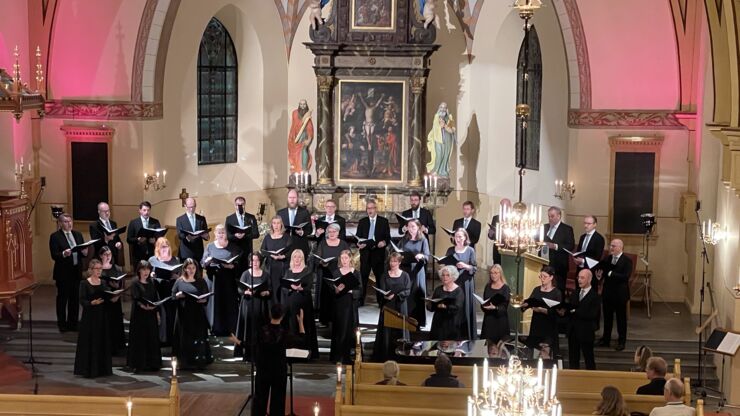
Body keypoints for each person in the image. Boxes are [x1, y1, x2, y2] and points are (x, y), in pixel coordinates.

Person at [252, 304, 306, 416]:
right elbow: (302, 339)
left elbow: (250, 345)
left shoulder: (262, 331)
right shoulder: (285, 333)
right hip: (279, 371)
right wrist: (300, 322)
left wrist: (238, 341)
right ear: (282, 316)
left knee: (260, 400)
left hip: (263, 370)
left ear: (270, 314)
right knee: (278, 401)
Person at [172, 258, 213, 370]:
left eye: (193, 268)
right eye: (189, 268)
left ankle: (198, 362)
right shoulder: (179, 281)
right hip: (183, 314)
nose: (191, 270)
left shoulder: (201, 281)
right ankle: (185, 362)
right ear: (184, 268)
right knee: (185, 338)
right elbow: (172, 296)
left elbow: (205, 296)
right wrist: (178, 295)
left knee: (198, 337)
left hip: (197, 314)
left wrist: (203, 300)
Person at [74, 259, 112, 378]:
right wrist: (91, 303)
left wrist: (113, 297)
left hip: (101, 316)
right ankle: (88, 370)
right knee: (90, 341)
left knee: (101, 340)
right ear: (91, 270)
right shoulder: (84, 283)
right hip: (89, 317)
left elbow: (107, 297)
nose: (99, 271)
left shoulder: (103, 283)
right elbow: (81, 300)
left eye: (101, 268)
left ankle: (102, 369)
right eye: (97, 269)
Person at [49, 213, 87, 332]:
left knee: (74, 299)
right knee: (62, 299)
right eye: (65, 222)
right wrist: (64, 254)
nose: (69, 224)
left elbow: (82, 251)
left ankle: (73, 323)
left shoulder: (78, 234)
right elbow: (54, 255)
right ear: (60, 223)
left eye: (70, 221)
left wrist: (85, 252)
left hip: (76, 271)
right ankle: (62, 324)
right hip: (63, 273)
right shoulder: (55, 236)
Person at [202, 224, 242, 336]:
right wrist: (208, 262)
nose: (220, 234)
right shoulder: (210, 247)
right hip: (214, 280)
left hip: (228, 281)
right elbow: (203, 263)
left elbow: (238, 264)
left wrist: (232, 266)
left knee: (228, 304)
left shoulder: (233, 247)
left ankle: (230, 328)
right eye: (218, 232)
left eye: (223, 232)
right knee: (215, 304)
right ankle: (215, 329)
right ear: (215, 233)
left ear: (226, 234)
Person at [594, 239, 633, 351]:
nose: (611, 248)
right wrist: (599, 277)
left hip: (620, 294)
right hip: (608, 293)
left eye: (614, 246)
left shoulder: (627, 261)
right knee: (607, 318)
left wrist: (610, 273)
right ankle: (606, 340)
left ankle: (621, 341)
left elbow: (625, 277)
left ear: (621, 247)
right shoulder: (607, 258)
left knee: (621, 319)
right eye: (610, 245)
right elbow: (600, 269)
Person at [372, 252, 412, 362]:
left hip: (400, 305)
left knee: (400, 328)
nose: (392, 263)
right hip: (388, 305)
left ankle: (402, 355)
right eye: (391, 261)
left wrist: (398, 295)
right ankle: (386, 354)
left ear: (399, 262)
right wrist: (385, 296)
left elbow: (408, 290)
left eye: (395, 261)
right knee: (387, 331)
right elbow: (382, 290)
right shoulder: (384, 275)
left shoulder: (405, 275)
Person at [560, 269, 600, 370]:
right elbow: (570, 310)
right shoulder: (575, 293)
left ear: (589, 279)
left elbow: (592, 314)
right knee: (573, 360)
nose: (579, 280)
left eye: (582, 278)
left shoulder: (595, 296)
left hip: (586, 332)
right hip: (573, 331)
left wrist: (575, 311)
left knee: (589, 359)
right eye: (578, 277)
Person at [281, 249, 319, 358]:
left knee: (304, 324)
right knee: (291, 325)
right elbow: (283, 287)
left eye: (299, 257)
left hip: (304, 302)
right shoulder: (288, 271)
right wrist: (290, 287)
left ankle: (306, 351)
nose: (297, 259)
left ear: (302, 259)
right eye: (295, 257)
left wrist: (302, 288)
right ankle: (291, 352)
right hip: (291, 302)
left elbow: (310, 285)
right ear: (292, 259)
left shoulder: (307, 270)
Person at [233, 252, 271, 360]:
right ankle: (247, 353)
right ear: (250, 262)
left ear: (260, 262)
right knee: (247, 329)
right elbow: (239, 289)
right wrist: (245, 291)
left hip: (260, 306)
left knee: (260, 329)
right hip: (248, 305)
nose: (255, 263)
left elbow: (270, 289)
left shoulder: (266, 274)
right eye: (253, 260)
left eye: (257, 260)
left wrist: (266, 293)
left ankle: (260, 354)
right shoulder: (245, 274)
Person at [126, 260, 162, 372]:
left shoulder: (152, 282)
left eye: (148, 269)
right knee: (139, 338)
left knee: (152, 337)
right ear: (139, 270)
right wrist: (143, 306)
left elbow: (155, 298)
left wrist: (157, 312)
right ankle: (139, 364)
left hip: (151, 314)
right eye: (143, 269)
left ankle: (153, 363)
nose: (146, 272)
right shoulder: (135, 282)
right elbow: (136, 298)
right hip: (139, 315)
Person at [330, 249, 362, 363]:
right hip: (339, 304)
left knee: (349, 330)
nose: (344, 260)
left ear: (350, 259)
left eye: (346, 258)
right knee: (339, 329)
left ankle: (348, 356)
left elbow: (360, 291)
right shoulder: (336, 272)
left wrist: (351, 292)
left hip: (351, 305)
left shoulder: (356, 273)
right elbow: (331, 290)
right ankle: (338, 356)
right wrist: (336, 290)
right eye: (342, 258)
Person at [445, 228, 477, 340]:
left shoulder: (470, 250)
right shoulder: (450, 250)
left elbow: (474, 267)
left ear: (465, 238)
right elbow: (446, 265)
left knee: (465, 307)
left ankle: (466, 335)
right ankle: (453, 334)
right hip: (453, 283)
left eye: (460, 237)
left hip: (466, 283)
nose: (458, 239)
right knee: (454, 307)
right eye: (456, 236)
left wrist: (465, 266)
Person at [523, 265, 562, 357]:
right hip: (536, 326)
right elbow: (529, 302)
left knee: (546, 355)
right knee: (534, 355)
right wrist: (523, 303)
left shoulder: (556, 293)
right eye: (541, 276)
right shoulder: (536, 289)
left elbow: (557, 312)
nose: (542, 279)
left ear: (551, 277)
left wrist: (542, 310)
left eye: (545, 276)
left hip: (549, 327)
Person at [314, 223, 349, 326]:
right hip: (326, 274)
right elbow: (316, 258)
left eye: (334, 231)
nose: (332, 233)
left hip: (340, 274)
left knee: (338, 296)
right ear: (327, 233)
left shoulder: (343, 244)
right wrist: (321, 262)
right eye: (330, 232)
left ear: (338, 233)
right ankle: (325, 320)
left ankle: (337, 318)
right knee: (326, 298)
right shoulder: (323, 243)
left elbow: (348, 257)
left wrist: (342, 263)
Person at [356, 200, 390, 305]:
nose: (370, 210)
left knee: (380, 278)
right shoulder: (362, 221)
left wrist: (384, 242)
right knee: (363, 278)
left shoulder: (383, 221)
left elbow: (387, 238)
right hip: (365, 254)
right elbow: (358, 237)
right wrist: (359, 243)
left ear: (376, 209)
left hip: (378, 254)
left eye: (372, 208)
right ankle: (361, 301)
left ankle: (381, 301)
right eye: (368, 208)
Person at [148, 237, 180, 346]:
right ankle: (162, 339)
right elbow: (148, 274)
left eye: (166, 247)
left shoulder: (175, 259)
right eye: (162, 247)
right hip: (158, 290)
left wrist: (177, 276)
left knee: (172, 314)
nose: (164, 249)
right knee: (161, 315)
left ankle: (173, 338)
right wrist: (151, 275)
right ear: (157, 248)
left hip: (171, 289)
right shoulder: (152, 260)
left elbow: (180, 275)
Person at [400, 219, 431, 327]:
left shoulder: (423, 240)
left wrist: (421, 256)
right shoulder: (404, 238)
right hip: (406, 269)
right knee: (407, 294)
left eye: (413, 226)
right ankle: (406, 320)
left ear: (418, 227)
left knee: (416, 295)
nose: (411, 229)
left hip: (417, 270)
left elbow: (427, 256)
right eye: (409, 227)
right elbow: (398, 250)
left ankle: (418, 321)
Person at [541, 206, 575, 292]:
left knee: (558, 290)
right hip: (546, 263)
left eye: (552, 216)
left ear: (559, 216)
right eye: (549, 216)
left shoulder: (567, 229)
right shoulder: (544, 227)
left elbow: (570, 246)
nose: (550, 218)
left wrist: (555, 246)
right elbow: (539, 241)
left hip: (559, 266)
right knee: (545, 289)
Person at [99, 246, 125, 355]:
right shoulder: (98, 269)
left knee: (116, 324)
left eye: (109, 254)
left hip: (115, 300)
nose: (108, 257)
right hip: (104, 302)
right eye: (105, 254)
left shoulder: (117, 268)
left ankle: (117, 348)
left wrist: (117, 294)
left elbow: (122, 285)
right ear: (100, 256)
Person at [428, 266, 465, 340]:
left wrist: (446, 307)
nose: (445, 277)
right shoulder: (438, 289)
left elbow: (458, 307)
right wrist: (429, 304)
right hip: (438, 323)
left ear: (453, 277)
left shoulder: (458, 291)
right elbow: (431, 307)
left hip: (452, 323)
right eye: (443, 275)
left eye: (448, 275)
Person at [225, 196, 259, 275]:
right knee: (236, 274)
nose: (239, 206)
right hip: (235, 251)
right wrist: (235, 236)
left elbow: (256, 234)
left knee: (248, 273)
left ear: (244, 205)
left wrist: (245, 235)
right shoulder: (229, 219)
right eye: (238, 205)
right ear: (235, 205)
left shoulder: (251, 217)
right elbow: (228, 235)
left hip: (247, 250)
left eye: (242, 204)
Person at [261, 216, 292, 303]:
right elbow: (263, 250)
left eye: (278, 223)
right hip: (270, 267)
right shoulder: (267, 237)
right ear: (271, 225)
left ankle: (283, 311)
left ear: (281, 224)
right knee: (272, 289)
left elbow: (290, 251)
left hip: (283, 267)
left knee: (282, 290)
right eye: (274, 223)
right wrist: (270, 255)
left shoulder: (286, 237)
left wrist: (283, 256)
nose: (276, 225)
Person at [480, 265, 510, 342]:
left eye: (495, 273)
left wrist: (495, 308)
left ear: (500, 274)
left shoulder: (505, 288)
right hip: (488, 321)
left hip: (500, 322)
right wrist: (483, 306)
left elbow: (504, 307)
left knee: (500, 350)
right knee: (488, 349)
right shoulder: (487, 286)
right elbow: (484, 301)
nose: (493, 275)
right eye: (491, 273)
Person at [277, 189, 312, 258]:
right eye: (290, 197)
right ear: (287, 199)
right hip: (284, 248)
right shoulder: (280, 213)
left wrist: (302, 232)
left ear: (297, 198)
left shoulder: (304, 212)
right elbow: (276, 228)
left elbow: (309, 229)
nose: (292, 200)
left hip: (300, 246)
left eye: (294, 197)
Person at [425, 102, 456, 177]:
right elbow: (435, 127)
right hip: (438, 139)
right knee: (438, 155)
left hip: (447, 140)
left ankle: (443, 171)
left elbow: (452, 130)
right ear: (439, 108)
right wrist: (440, 126)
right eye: (441, 107)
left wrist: (445, 125)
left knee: (445, 155)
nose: (443, 109)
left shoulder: (450, 118)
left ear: (446, 109)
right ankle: (436, 170)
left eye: (444, 107)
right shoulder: (436, 116)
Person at [126, 201, 162, 265]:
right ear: (140, 210)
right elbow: (129, 239)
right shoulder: (133, 223)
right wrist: (138, 239)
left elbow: (160, 237)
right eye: (144, 210)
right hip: (138, 254)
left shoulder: (155, 222)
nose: (146, 212)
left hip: (152, 253)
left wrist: (155, 240)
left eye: (148, 210)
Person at [176, 197, 209, 263]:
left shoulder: (201, 219)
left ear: (195, 205)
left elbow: (206, 235)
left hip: (198, 251)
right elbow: (180, 235)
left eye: (193, 207)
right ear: (185, 206)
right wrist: (188, 237)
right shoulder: (180, 219)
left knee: (199, 272)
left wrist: (205, 236)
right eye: (189, 207)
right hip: (186, 251)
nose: (191, 209)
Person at [287, 99, 314, 173]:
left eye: (304, 104)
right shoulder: (295, 113)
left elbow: (309, 127)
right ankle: (295, 168)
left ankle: (304, 169)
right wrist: (293, 136)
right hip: (295, 135)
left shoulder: (307, 114)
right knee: (294, 152)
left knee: (304, 149)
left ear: (306, 105)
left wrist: (309, 138)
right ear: (299, 105)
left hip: (304, 134)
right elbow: (294, 124)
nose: (302, 106)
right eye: (301, 104)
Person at [486, 198, 511, 265]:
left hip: (509, 249)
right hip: (497, 249)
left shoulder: (513, 219)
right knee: (497, 268)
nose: (504, 208)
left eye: (506, 206)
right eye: (502, 206)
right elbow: (491, 237)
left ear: (510, 207)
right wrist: (490, 234)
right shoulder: (496, 218)